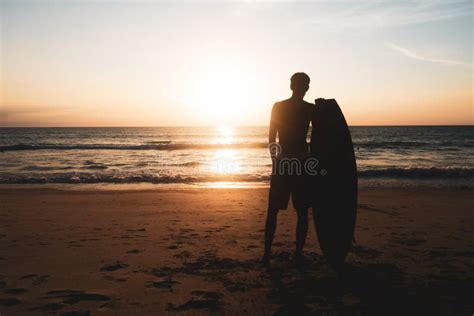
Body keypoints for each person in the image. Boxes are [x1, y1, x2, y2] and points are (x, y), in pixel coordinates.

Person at [263, 72, 315, 268]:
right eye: (305, 85)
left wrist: (275, 160)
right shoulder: (310, 109)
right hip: (301, 164)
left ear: (291, 85)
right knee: (301, 212)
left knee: (274, 211)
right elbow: (323, 136)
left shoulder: (280, 107)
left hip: (285, 164)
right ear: (306, 87)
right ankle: (298, 255)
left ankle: (266, 255)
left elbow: (271, 138)